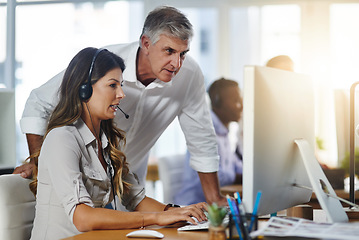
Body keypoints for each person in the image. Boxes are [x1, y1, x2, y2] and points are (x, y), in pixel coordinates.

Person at [14, 6, 226, 205]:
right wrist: (39, 162)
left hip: (129, 188)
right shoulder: (104, 64)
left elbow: (201, 139)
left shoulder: (189, 75)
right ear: (146, 43)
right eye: (169, 51)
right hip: (76, 182)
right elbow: (39, 102)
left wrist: (214, 200)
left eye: (183, 54)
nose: (177, 64)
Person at [29, 47, 207, 240]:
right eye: (113, 85)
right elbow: (83, 217)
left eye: (121, 85)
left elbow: (135, 199)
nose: (122, 94)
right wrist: (158, 217)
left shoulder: (105, 142)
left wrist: (177, 213)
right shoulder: (62, 139)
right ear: (84, 89)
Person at [174, 78, 243, 205]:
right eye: (236, 101)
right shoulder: (206, 131)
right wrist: (243, 177)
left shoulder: (224, 131)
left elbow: (234, 165)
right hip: (192, 207)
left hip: (211, 208)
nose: (241, 106)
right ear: (217, 103)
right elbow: (220, 178)